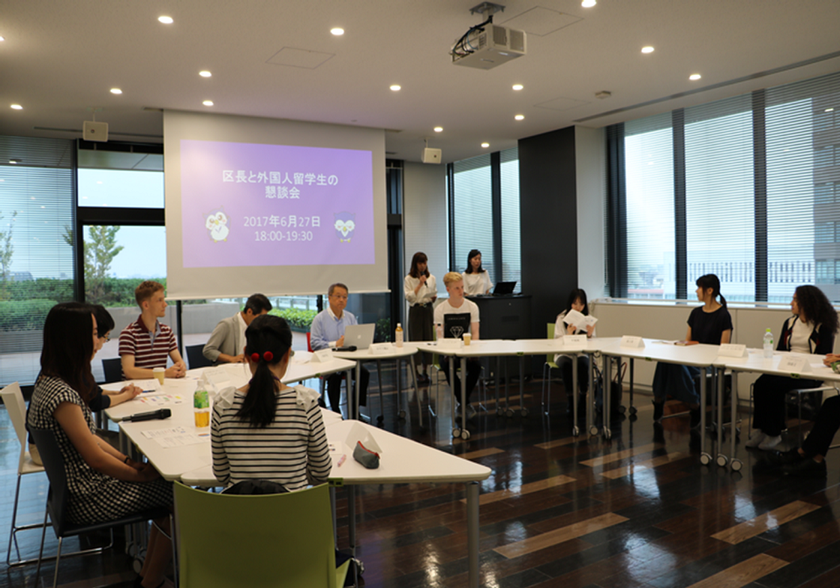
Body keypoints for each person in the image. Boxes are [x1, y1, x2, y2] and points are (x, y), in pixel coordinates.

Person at [27, 302, 173, 588]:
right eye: (95, 334)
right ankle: (152, 581)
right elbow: (94, 458)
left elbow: (91, 437)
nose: (100, 341)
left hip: (73, 490)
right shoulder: (63, 393)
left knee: (166, 491)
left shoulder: (50, 380)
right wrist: (137, 475)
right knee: (175, 496)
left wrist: (129, 461)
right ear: (75, 338)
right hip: (85, 497)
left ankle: (149, 577)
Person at [211, 314, 332, 490]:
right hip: (292, 515)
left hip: (240, 516)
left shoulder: (224, 405)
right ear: (286, 356)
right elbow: (321, 472)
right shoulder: (305, 404)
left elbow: (222, 476)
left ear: (246, 355)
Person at [746, 285, 838, 451]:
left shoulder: (823, 326)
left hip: (809, 373)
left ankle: (774, 433)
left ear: (807, 303)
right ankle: (762, 429)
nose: (791, 303)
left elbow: (823, 356)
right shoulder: (789, 323)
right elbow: (781, 350)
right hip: (787, 368)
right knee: (761, 383)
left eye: (795, 300)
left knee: (775, 386)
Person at [652, 274, 732, 428]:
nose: (696, 291)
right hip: (692, 359)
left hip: (709, 362)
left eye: (699, 288)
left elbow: (724, 348)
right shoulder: (695, 313)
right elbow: (687, 341)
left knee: (677, 366)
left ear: (709, 290)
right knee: (665, 360)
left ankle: (694, 403)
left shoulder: (723, 315)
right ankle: (658, 399)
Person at [310, 283, 369, 413]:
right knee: (335, 377)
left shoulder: (350, 317)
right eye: (338, 296)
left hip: (348, 360)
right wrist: (335, 344)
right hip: (329, 361)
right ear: (329, 298)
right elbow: (314, 343)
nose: (341, 300)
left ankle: (355, 408)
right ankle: (336, 412)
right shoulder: (319, 319)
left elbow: (357, 338)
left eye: (344, 297)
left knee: (364, 374)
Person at [434, 272, 481, 419]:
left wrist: (473, 352)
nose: (461, 291)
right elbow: (439, 335)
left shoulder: (472, 307)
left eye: (462, 287)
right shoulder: (440, 309)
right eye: (457, 288)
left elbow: (475, 334)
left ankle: (462, 402)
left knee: (476, 366)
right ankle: (464, 403)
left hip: (466, 350)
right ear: (448, 289)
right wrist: (446, 352)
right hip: (447, 351)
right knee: (447, 365)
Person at [119, 281, 187, 380]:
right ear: (146, 305)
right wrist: (164, 373)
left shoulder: (166, 331)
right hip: (137, 391)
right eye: (159, 300)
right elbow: (129, 372)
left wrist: (181, 368)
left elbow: (179, 361)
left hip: (160, 389)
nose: (165, 305)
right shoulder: (129, 334)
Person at [554, 288, 596, 415]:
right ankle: (571, 400)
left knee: (583, 363)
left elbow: (594, 344)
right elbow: (556, 341)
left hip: (581, 353)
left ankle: (583, 397)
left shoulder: (588, 319)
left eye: (581, 304)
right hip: (564, 353)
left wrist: (589, 335)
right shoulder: (561, 318)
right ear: (570, 303)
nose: (578, 307)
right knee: (567, 364)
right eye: (575, 303)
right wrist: (568, 334)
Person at [203, 293, 273, 364]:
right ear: (249, 312)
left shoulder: (256, 327)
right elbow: (208, 350)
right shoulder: (227, 324)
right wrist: (231, 358)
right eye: (260, 317)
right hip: (227, 370)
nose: (262, 320)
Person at [404, 252, 437, 383]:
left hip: (428, 309)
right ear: (415, 264)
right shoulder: (409, 279)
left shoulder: (431, 278)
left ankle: (425, 370)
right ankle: (416, 372)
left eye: (425, 262)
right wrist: (419, 284)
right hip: (416, 310)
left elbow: (432, 293)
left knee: (428, 338)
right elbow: (409, 297)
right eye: (420, 263)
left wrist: (433, 298)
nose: (423, 266)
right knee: (416, 339)